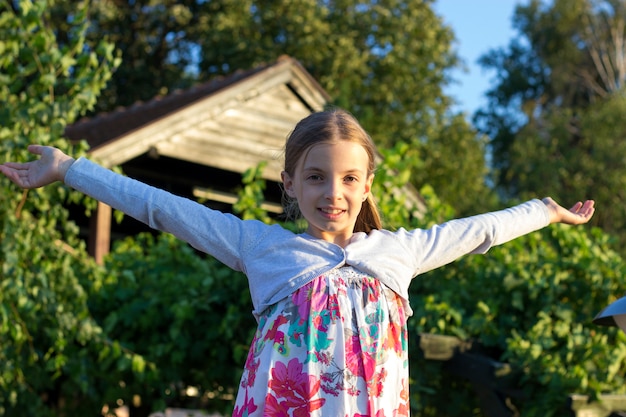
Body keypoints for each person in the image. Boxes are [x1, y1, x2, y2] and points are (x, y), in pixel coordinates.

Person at [0, 108, 595, 416]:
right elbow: (161, 208)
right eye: (315, 177)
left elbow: (481, 230)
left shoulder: (398, 252)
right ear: (289, 183)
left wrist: (546, 210)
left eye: (347, 178)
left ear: (366, 187)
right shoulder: (262, 248)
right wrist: (69, 169)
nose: (331, 192)